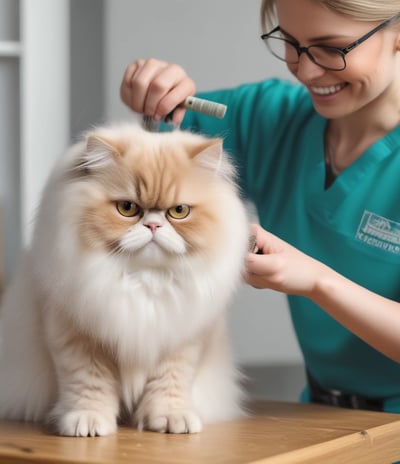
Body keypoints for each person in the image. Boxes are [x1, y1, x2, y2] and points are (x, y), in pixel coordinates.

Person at [120, 0, 400, 414]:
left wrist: (318, 282)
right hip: (321, 420)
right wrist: (152, 90)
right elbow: (159, 141)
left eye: (331, 48)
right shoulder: (269, 118)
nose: (305, 71)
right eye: (290, 42)